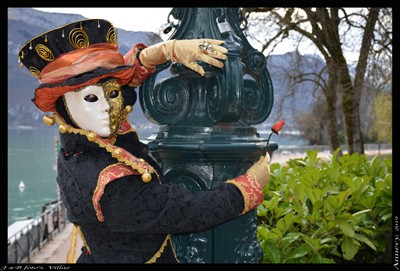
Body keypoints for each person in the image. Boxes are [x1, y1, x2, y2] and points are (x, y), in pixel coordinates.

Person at [18, 19, 270, 263]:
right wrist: (247, 189)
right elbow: (186, 211)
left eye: (113, 94)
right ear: (62, 108)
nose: (108, 108)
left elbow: (121, 83)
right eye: (92, 99)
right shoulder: (110, 183)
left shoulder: (83, 139)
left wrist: (162, 52)